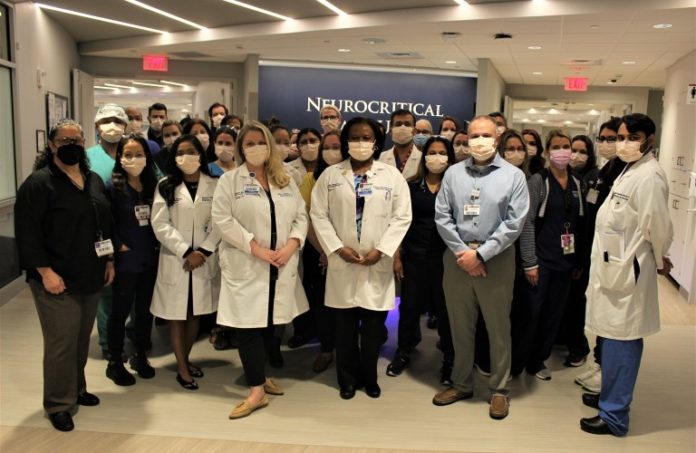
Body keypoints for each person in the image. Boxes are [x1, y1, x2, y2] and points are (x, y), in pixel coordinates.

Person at [15, 119, 114, 432]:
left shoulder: (92, 179)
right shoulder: (39, 183)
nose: (71, 145)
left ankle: (77, 389)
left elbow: (104, 223)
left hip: (90, 274)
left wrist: (109, 260)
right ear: (52, 145)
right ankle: (58, 404)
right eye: (64, 140)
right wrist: (45, 271)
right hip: (55, 279)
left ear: (84, 143)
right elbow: (27, 232)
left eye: (77, 140)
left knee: (81, 340)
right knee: (61, 344)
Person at [580, 113, 673, 436]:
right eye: (620, 137)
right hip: (613, 265)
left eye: (632, 137)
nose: (623, 143)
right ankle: (608, 396)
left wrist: (660, 258)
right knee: (609, 337)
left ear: (649, 140)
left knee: (622, 341)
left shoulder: (650, 176)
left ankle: (614, 416)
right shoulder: (629, 170)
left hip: (627, 271)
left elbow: (658, 226)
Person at [432, 115, 529, 420]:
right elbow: (442, 216)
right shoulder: (453, 173)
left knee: (498, 328)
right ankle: (461, 383)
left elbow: (514, 223)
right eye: (474, 135)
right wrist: (465, 253)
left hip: (496, 260)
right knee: (460, 326)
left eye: (485, 135)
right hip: (457, 259)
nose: (479, 141)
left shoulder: (514, 176)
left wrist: (481, 255)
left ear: (496, 139)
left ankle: (499, 389)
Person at [212, 121, 309, 419]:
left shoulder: (284, 179)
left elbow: (301, 216)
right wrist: (256, 249)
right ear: (241, 149)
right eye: (249, 143)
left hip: (280, 264)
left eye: (261, 142)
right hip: (248, 263)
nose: (256, 148)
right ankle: (256, 391)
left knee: (270, 323)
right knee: (248, 327)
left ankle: (261, 376)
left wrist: (292, 245)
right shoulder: (230, 181)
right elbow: (222, 220)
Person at [311, 117, 412, 400]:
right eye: (354, 137)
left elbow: (402, 216)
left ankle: (369, 378)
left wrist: (383, 250)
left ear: (376, 142)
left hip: (376, 262)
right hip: (343, 262)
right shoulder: (331, 176)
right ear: (345, 142)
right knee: (344, 329)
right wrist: (336, 248)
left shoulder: (391, 176)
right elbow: (318, 214)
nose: (360, 142)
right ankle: (347, 379)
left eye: (366, 137)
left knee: (372, 330)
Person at [150, 134, 221, 390]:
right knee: (176, 316)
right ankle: (182, 368)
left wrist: (202, 252)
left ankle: (185, 360)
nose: (186, 157)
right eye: (180, 152)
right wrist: (185, 252)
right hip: (176, 260)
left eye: (191, 151)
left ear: (201, 154)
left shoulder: (215, 184)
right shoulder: (165, 185)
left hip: (203, 260)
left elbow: (221, 222)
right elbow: (160, 224)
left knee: (194, 315)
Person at [517, 130, 586, 381]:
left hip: (565, 262)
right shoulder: (539, 181)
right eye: (556, 147)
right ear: (547, 152)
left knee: (554, 315)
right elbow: (527, 222)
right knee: (531, 314)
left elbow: (580, 223)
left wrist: (578, 261)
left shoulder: (577, 183)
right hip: (541, 261)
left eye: (566, 146)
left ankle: (539, 360)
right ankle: (519, 361)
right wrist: (530, 262)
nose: (562, 151)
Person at [388, 136, 455, 385]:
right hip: (414, 256)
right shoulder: (411, 186)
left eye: (442, 153)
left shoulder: (455, 186)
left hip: (446, 259)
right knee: (409, 307)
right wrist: (397, 255)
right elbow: (400, 222)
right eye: (432, 152)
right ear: (424, 156)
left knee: (446, 311)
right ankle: (404, 350)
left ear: (449, 158)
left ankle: (449, 358)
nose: (437, 157)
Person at [574, 117, 626, 393]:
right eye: (603, 139)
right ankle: (599, 361)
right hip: (595, 249)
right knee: (596, 311)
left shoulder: (627, 173)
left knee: (609, 313)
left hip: (614, 253)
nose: (606, 143)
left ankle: (606, 367)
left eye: (612, 139)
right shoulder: (604, 171)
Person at [105, 135, 159, 386]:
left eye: (139, 154)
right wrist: (117, 246)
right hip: (125, 259)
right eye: (128, 155)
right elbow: (105, 222)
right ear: (119, 157)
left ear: (147, 157)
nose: (134, 159)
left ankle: (140, 356)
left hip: (149, 257)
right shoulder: (112, 187)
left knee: (144, 312)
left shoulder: (152, 186)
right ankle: (115, 361)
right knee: (120, 312)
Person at [296, 130, 342, 373]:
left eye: (337, 147)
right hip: (320, 251)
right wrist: (324, 250)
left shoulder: (355, 176)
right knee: (323, 301)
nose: (332, 152)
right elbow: (305, 218)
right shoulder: (312, 178)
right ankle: (326, 349)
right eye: (327, 147)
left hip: (347, 250)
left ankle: (347, 346)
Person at [85, 104, 127, 360]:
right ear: (97, 126)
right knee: (107, 290)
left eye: (117, 121)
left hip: (132, 233)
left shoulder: (133, 152)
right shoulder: (87, 158)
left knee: (131, 289)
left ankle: (131, 335)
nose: (112, 126)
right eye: (106, 121)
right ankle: (108, 344)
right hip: (101, 232)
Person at [559, 134, 598, 368]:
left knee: (575, 300)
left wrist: (581, 259)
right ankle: (561, 338)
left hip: (581, 251)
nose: (577, 155)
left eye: (583, 151)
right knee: (561, 299)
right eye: (573, 150)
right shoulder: (563, 177)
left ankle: (578, 347)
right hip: (562, 249)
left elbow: (588, 224)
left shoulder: (594, 179)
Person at [378, 109, 422, 181]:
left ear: (414, 131)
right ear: (391, 131)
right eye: (398, 124)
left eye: (407, 124)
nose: (402, 127)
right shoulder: (380, 159)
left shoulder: (422, 159)